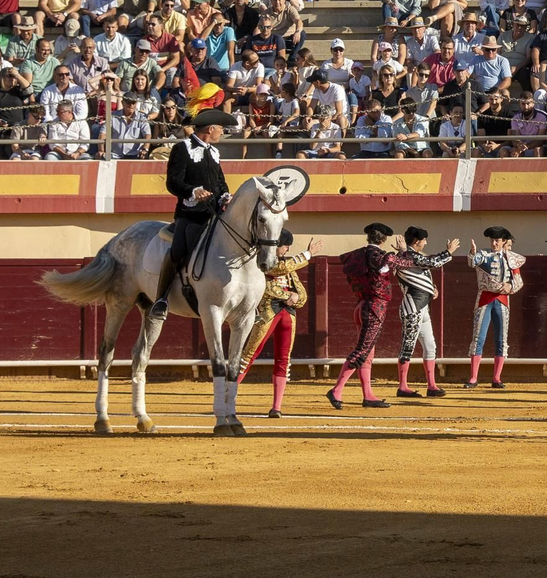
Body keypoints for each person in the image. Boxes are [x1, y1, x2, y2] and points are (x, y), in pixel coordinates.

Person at [147, 108, 234, 322]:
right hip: (190, 213)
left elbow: (220, 182)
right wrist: (194, 191)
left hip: (215, 214)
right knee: (178, 252)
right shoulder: (182, 148)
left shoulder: (214, 152)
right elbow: (173, 182)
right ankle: (161, 298)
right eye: (220, 129)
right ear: (210, 129)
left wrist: (225, 196)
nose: (222, 132)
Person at [234, 230, 320, 418]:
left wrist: (295, 298)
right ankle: (227, 398)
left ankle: (276, 407)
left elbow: (302, 294)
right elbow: (269, 285)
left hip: (288, 315)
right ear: (278, 245)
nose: (287, 249)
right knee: (249, 354)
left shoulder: (286, 265)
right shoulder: (263, 261)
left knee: (284, 359)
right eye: (286, 245)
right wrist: (307, 255)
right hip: (268, 313)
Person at [326, 222, 403, 411]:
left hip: (361, 305)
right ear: (383, 240)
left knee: (367, 352)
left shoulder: (357, 255)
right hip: (374, 308)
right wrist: (403, 251)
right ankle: (336, 390)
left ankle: (368, 395)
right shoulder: (382, 257)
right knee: (362, 351)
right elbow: (407, 263)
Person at [394, 225, 461, 397]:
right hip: (412, 307)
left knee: (430, 346)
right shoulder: (407, 256)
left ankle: (431, 386)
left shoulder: (410, 256)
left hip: (422, 307)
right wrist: (448, 251)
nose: (426, 243)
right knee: (408, 345)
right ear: (417, 241)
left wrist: (432, 288)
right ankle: (402, 387)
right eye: (424, 240)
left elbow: (422, 271)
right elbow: (432, 262)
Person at [466, 226, 525, 388]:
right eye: (492, 240)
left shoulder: (511, 258)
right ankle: (473, 378)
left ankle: (497, 378)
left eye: (497, 240)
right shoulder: (483, 254)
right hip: (484, 299)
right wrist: (472, 252)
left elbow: (519, 281)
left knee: (501, 339)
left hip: (502, 300)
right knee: (478, 338)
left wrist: (510, 287)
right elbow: (472, 262)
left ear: (504, 241)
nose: (494, 243)